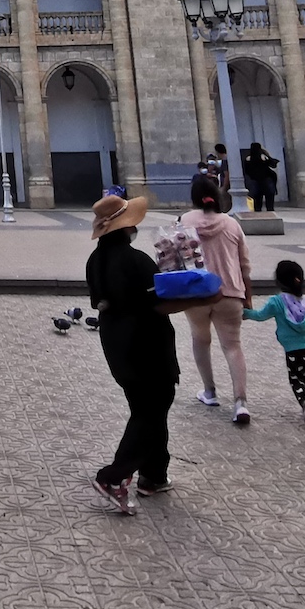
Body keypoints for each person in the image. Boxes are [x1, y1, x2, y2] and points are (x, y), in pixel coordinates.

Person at [88, 192, 210, 512]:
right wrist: (200, 298)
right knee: (152, 410)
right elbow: (159, 305)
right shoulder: (136, 261)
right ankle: (113, 476)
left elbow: (101, 302)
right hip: (147, 344)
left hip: (116, 344)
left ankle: (154, 474)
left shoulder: (95, 261)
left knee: (146, 406)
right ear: (127, 227)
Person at [180, 173, 253, 426]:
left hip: (196, 293)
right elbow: (244, 265)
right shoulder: (232, 224)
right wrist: (248, 297)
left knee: (201, 340)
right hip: (229, 292)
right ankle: (241, 403)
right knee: (233, 346)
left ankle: (209, 392)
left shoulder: (184, 221)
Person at [244, 259, 305, 425]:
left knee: (296, 378)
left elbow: (260, 316)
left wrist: (246, 313)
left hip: (292, 350)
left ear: (278, 281)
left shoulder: (276, 302)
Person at [240, 142, 278, 214]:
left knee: (258, 196)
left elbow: (246, 170)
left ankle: (259, 210)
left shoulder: (249, 158)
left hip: (256, 179)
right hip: (264, 178)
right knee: (268, 195)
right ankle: (269, 209)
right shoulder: (259, 157)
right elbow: (273, 164)